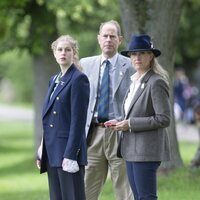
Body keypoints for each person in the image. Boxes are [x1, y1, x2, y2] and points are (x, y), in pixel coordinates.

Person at [105, 34, 171, 200]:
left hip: (146, 151)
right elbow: (134, 112)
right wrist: (120, 121)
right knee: (138, 197)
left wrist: (130, 124)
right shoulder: (134, 81)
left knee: (146, 197)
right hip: (131, 150)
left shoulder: (156, 82)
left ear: (151, 56)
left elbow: (163, 118)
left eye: (142, 53)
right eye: (133, 54)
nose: (137, 57)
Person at [80, 20, 134, 200]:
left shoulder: (131, 66)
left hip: (120, 134)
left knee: (124, 189)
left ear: (120, 40)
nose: (108, 40)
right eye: (105, 36)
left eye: (112, 36)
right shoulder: (84, 65)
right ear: (98, 39)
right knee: (86, 189)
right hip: (93, 134)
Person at [36, 35, 90, 200]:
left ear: (74, 53)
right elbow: (49, 120)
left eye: (68, 50)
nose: (63, 53)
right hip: (53, 151)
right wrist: (42, 149)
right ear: (54, 53)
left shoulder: (79, 79)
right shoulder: (54, 80)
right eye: (59, 49)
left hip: (68, 153)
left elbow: (78, 121)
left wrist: (71, 154)